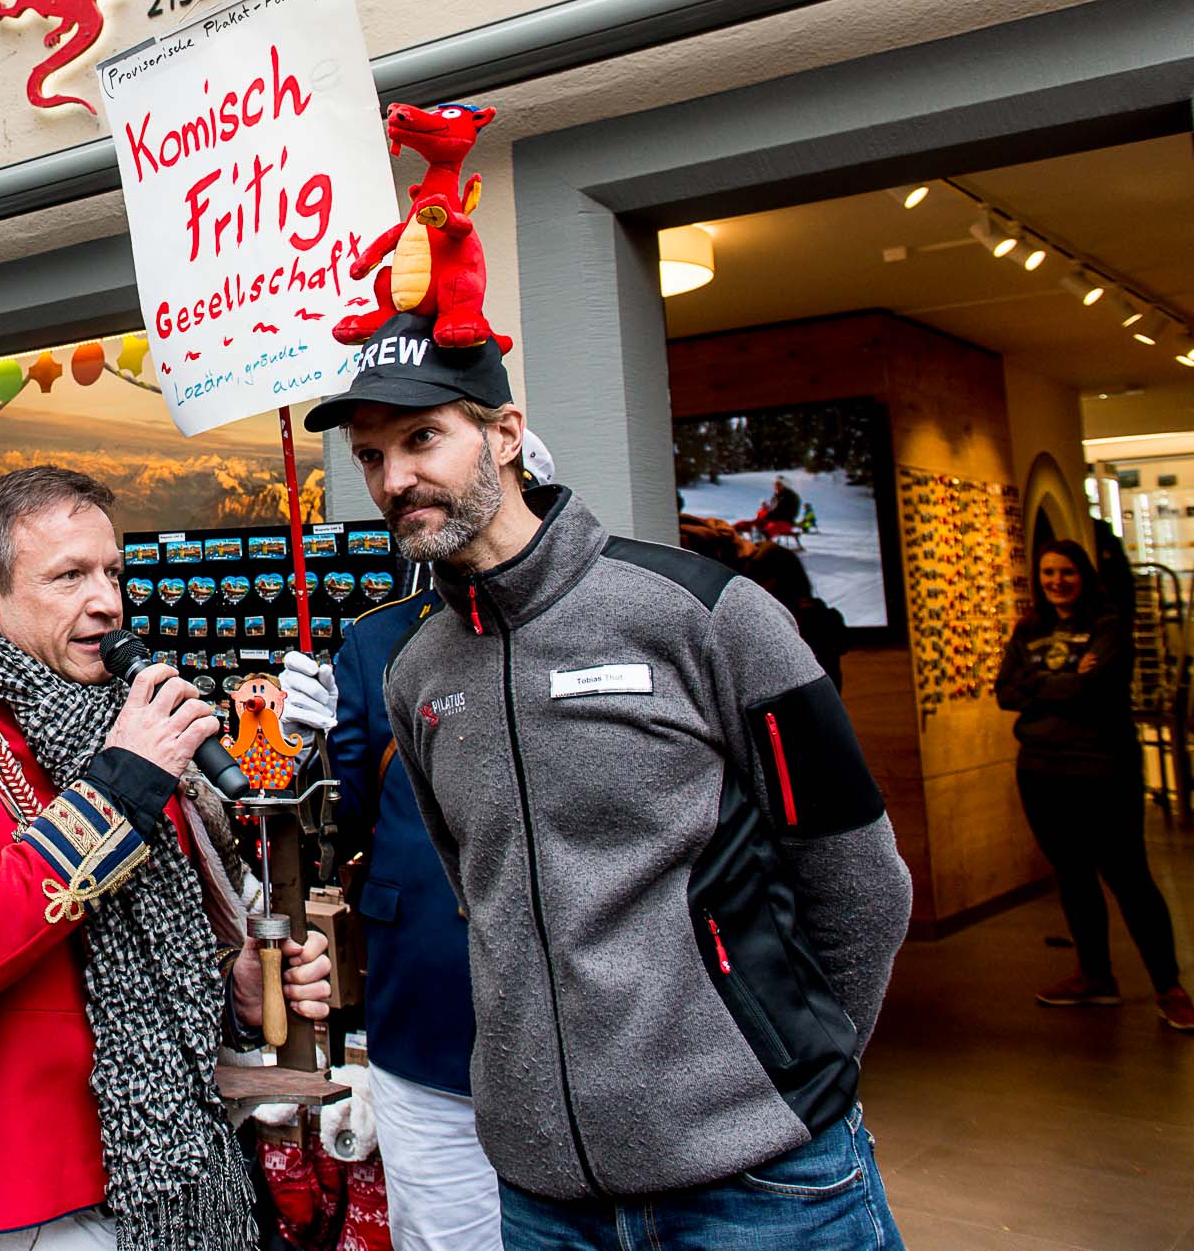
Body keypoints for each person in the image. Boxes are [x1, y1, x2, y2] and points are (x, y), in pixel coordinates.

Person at [304, 310, 913, 1250]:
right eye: (372, 454)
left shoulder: (700, 613)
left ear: (506, 437)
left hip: (757, 1183)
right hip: (544, 1195)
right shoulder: (414, 673)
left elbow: (859, 881)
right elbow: (482, 892)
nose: (395, 479)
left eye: (422, 439)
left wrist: (787, 1083)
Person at [0, 467, 334, 1251]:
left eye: (112, 574)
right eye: (69, 576)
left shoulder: (131, 728)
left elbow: (159, 950)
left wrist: (234, 989)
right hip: (23, 1196)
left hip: (181, 1177)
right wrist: (117, 789)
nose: (106, 600)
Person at [276, 437, 561, 1250]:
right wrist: (310, 750)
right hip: (427, 1023)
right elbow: (339, 819)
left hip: (584, 1029)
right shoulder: (378, 640)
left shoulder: (613, 609)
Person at [995, 540, 1191, 1029]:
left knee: (1130, 877)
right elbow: (1005, 692)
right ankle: (1095, 977)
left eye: (1066, 573)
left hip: (1103, 769)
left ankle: (1169, 986)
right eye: (1047, 574)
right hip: (1041, 770)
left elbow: (1093, 690)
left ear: (1083, 575)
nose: (1057, 582)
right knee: (1073, 875)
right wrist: (1058, 683)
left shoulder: (1109, 625)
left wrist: (1037, 681)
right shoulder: (1029, 629)